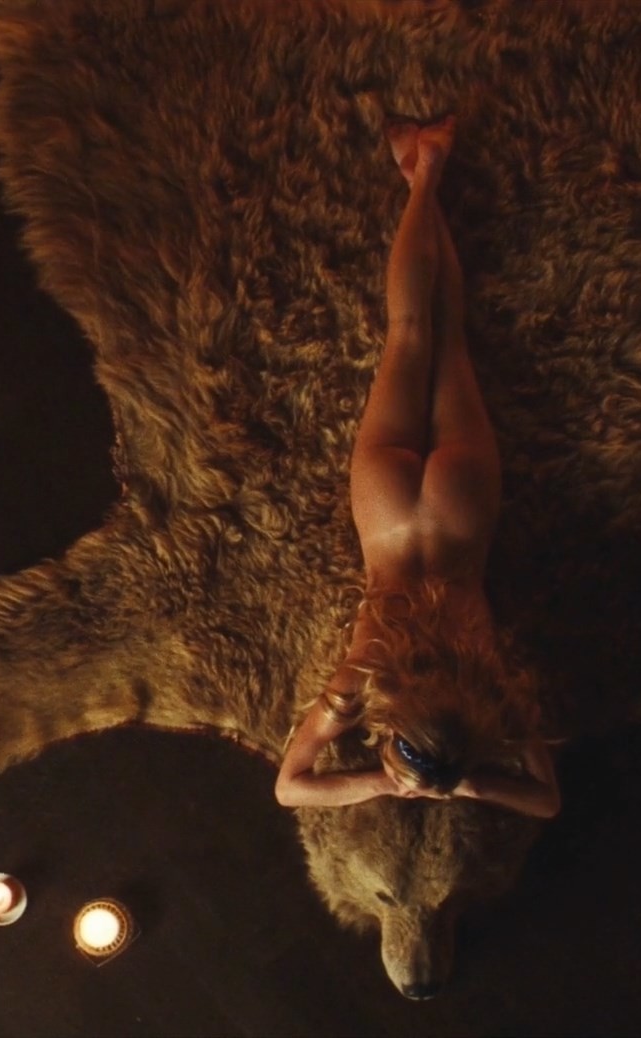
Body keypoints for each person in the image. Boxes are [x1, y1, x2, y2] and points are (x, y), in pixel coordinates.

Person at [274, 116, 559, 820]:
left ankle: (426, 175)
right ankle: (422, 177)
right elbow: (290, 788)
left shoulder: (492, 687)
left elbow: (547, 801)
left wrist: (465, 781)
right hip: (388, 511)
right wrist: (380, 781)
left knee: (447, 337)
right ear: (395, 729)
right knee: (408, 334)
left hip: (460, 508)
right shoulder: (362, 678)